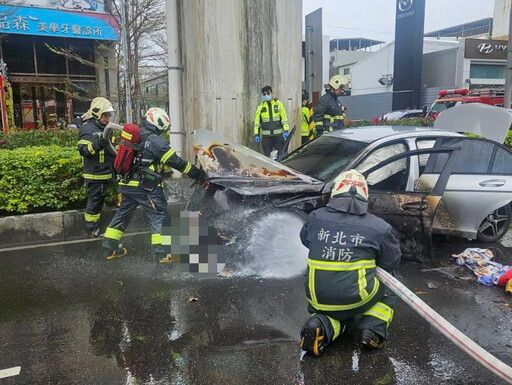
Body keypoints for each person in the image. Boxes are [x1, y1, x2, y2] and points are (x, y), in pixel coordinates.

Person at [299, 169, 401, 356]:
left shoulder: (315, 217)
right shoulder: (379, 227)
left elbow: (306, 241)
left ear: (335, 191)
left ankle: (321, 325)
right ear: (365, 196)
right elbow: (391, 262)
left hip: (317, 297)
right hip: (356, 299)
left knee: (335, 313)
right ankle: (373, 328)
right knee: (390, 281)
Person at [102, 107, 207, 262]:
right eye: (163, 128)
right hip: (146, 187)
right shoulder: (157, 142)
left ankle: (109, 248)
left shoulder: (134, 136)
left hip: (126, 185)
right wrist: (200, 174)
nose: (162, 132)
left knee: (122, 215)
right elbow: (178, 164)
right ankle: (162, 253)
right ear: (158, 124)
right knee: (158, 216)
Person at [77, 97, 116, 238]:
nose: (107, 118)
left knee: (99, 201)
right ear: (97, 114)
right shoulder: (88, 129)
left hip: (105, 173)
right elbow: (83, 150)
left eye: (108, 115)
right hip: (95, 175)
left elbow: (111, 151)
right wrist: (98, 144)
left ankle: (95, 226)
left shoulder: (105, 128)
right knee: (95, 202)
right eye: (105, 115)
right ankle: (92, 228)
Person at [253, 85, 289, 157]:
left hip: (278, 136)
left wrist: (286, 131)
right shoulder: (261, 107)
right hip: (267, 137)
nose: (266, 96)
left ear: (272, 93)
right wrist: (256, 134)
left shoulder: (278, 104)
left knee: (281, 156)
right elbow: (257, 122)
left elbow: (284, 119)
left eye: (268, 93)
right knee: (267, 157)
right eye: (264, 94)